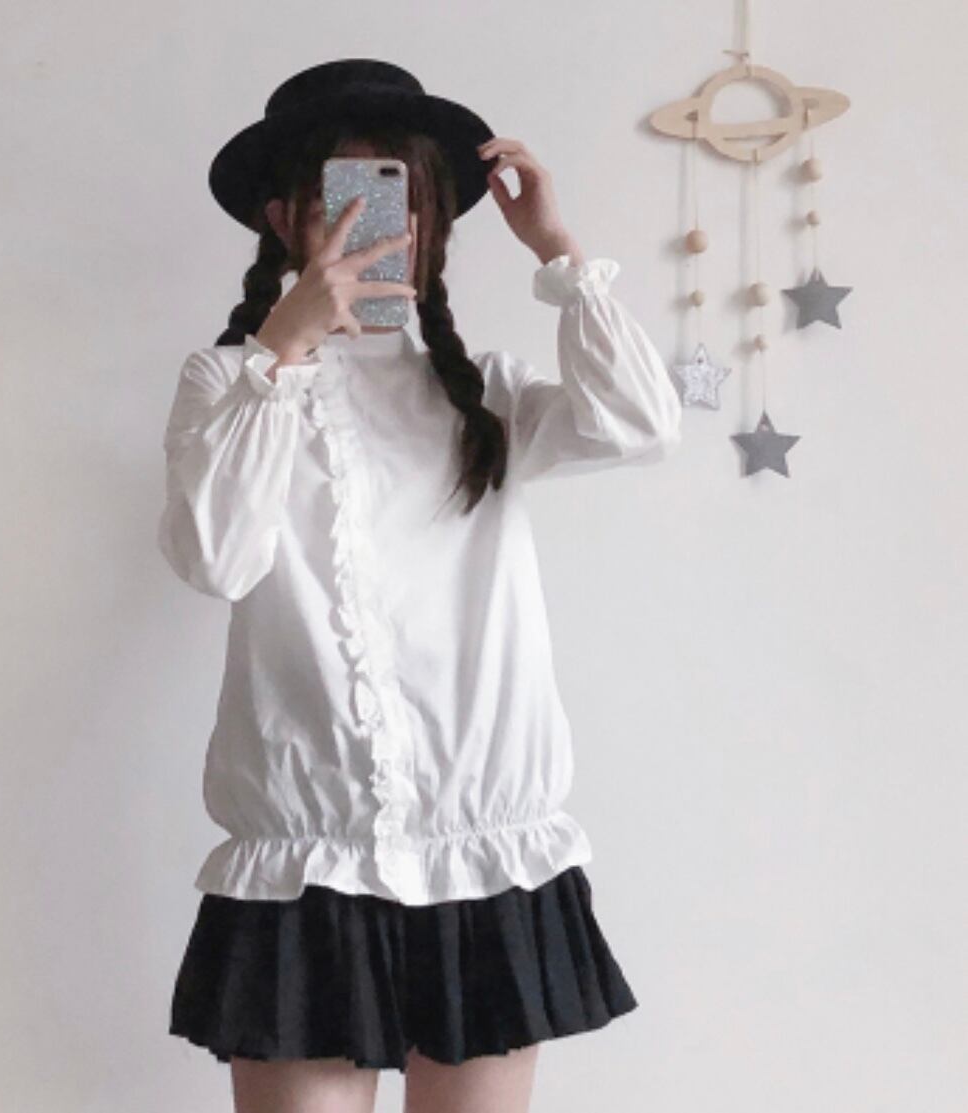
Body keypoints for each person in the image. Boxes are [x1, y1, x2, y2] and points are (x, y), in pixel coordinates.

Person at [158, 59, 682, 1113]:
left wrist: (559, 253)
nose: (376, 224)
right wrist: (282, 347)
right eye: (341, 197)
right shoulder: (229, 385)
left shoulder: (481, 391)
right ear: (283, 218)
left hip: (485, 860)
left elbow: (639, 424)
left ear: (435, 222)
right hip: (304, 870)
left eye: (402, 197)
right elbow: (216, 557)